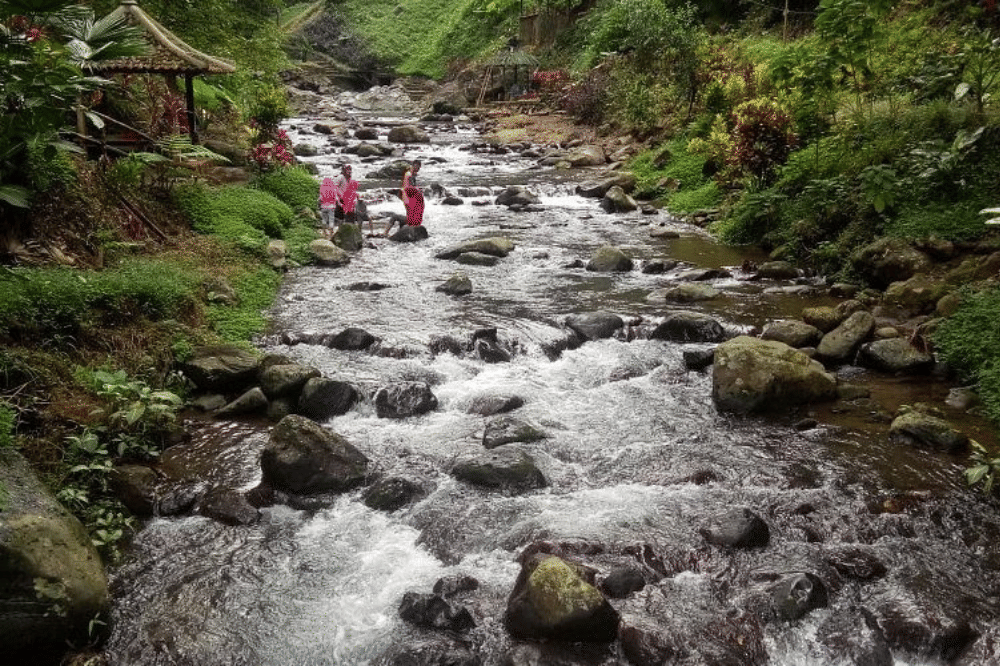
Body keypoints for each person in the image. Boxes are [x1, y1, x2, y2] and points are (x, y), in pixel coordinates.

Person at [384, 160, 424, 236]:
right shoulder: (417, 194)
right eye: (416, 167)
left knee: (394, 217)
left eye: (418, 167)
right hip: (416, 220)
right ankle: (401, 232)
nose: (417, 169)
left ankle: (384, 233)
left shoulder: (410, 177)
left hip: (412, 220)